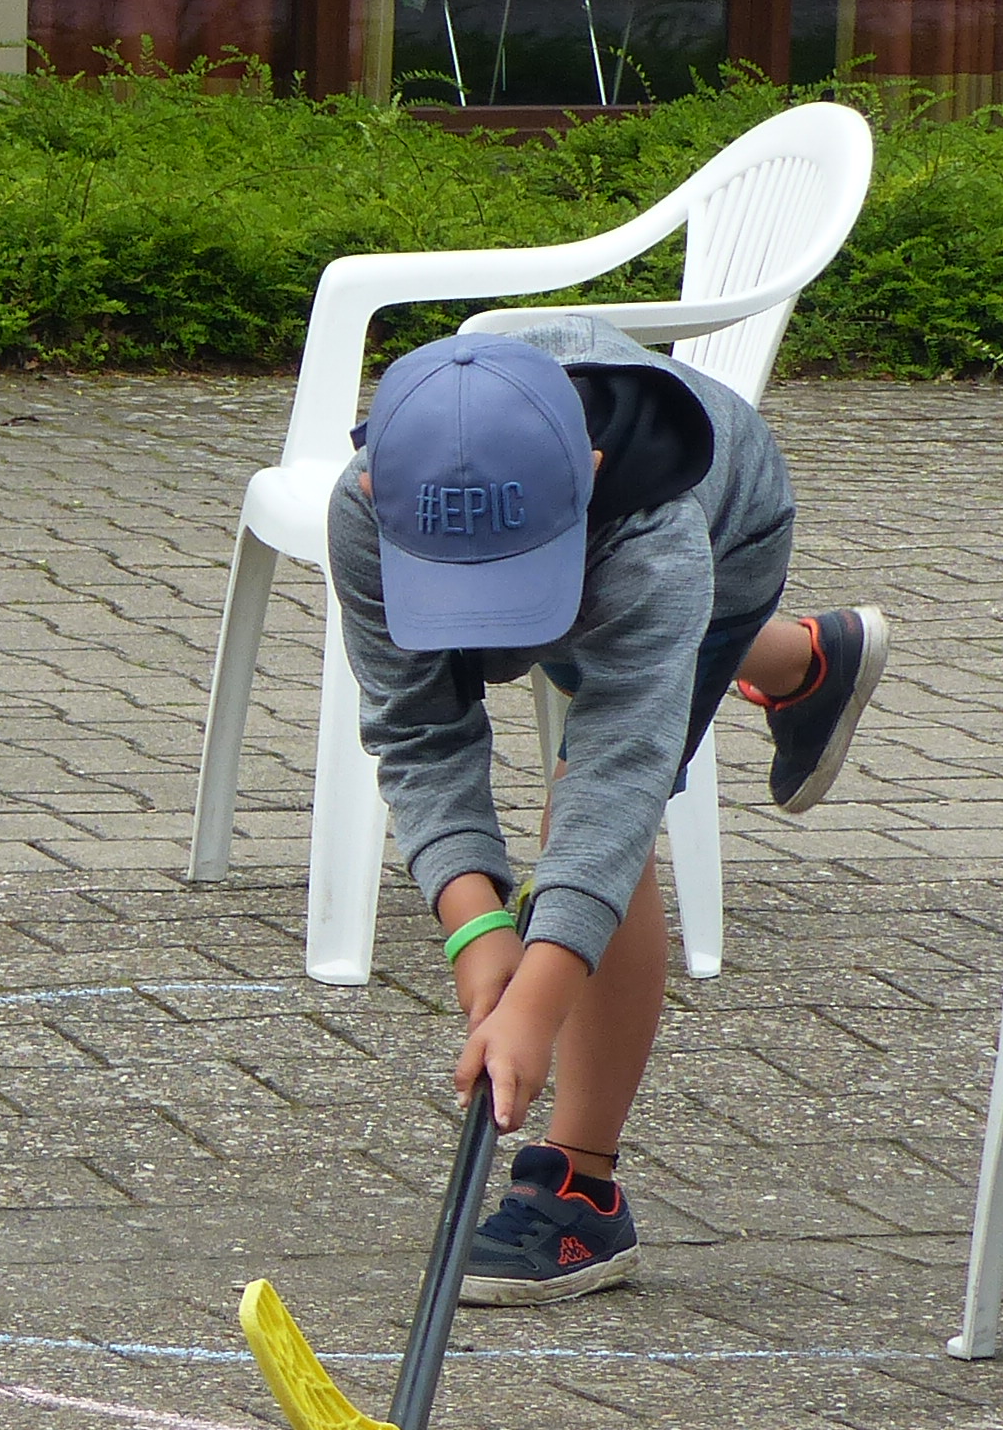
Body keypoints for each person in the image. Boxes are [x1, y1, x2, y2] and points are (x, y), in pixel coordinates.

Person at [331, 319, 889, 1302]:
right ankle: (806, 661)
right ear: (379, 493)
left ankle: (579, 1194)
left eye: (507, 586)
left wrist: (536, 1001)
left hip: (728, 526)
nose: (492, 624)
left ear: (587, 471)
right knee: (610, 645)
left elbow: (614, 787)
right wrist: (476, 929)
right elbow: (419, 730)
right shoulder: (368, 509)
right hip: (599, 557)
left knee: (580, 796)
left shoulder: (660, 541)